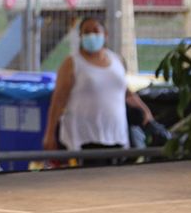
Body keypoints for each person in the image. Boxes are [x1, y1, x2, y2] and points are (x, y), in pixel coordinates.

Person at [44, 19, 154, 153]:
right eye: (86, 32)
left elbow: (125, 92)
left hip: (116, 136)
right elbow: (58, 100)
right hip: (83, 138)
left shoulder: (117, 60)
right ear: (80, 36)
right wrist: (49, 134)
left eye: (95, 31)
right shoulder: (71, 63)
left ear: (105, 34)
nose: (91, 36)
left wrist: (145, 111)